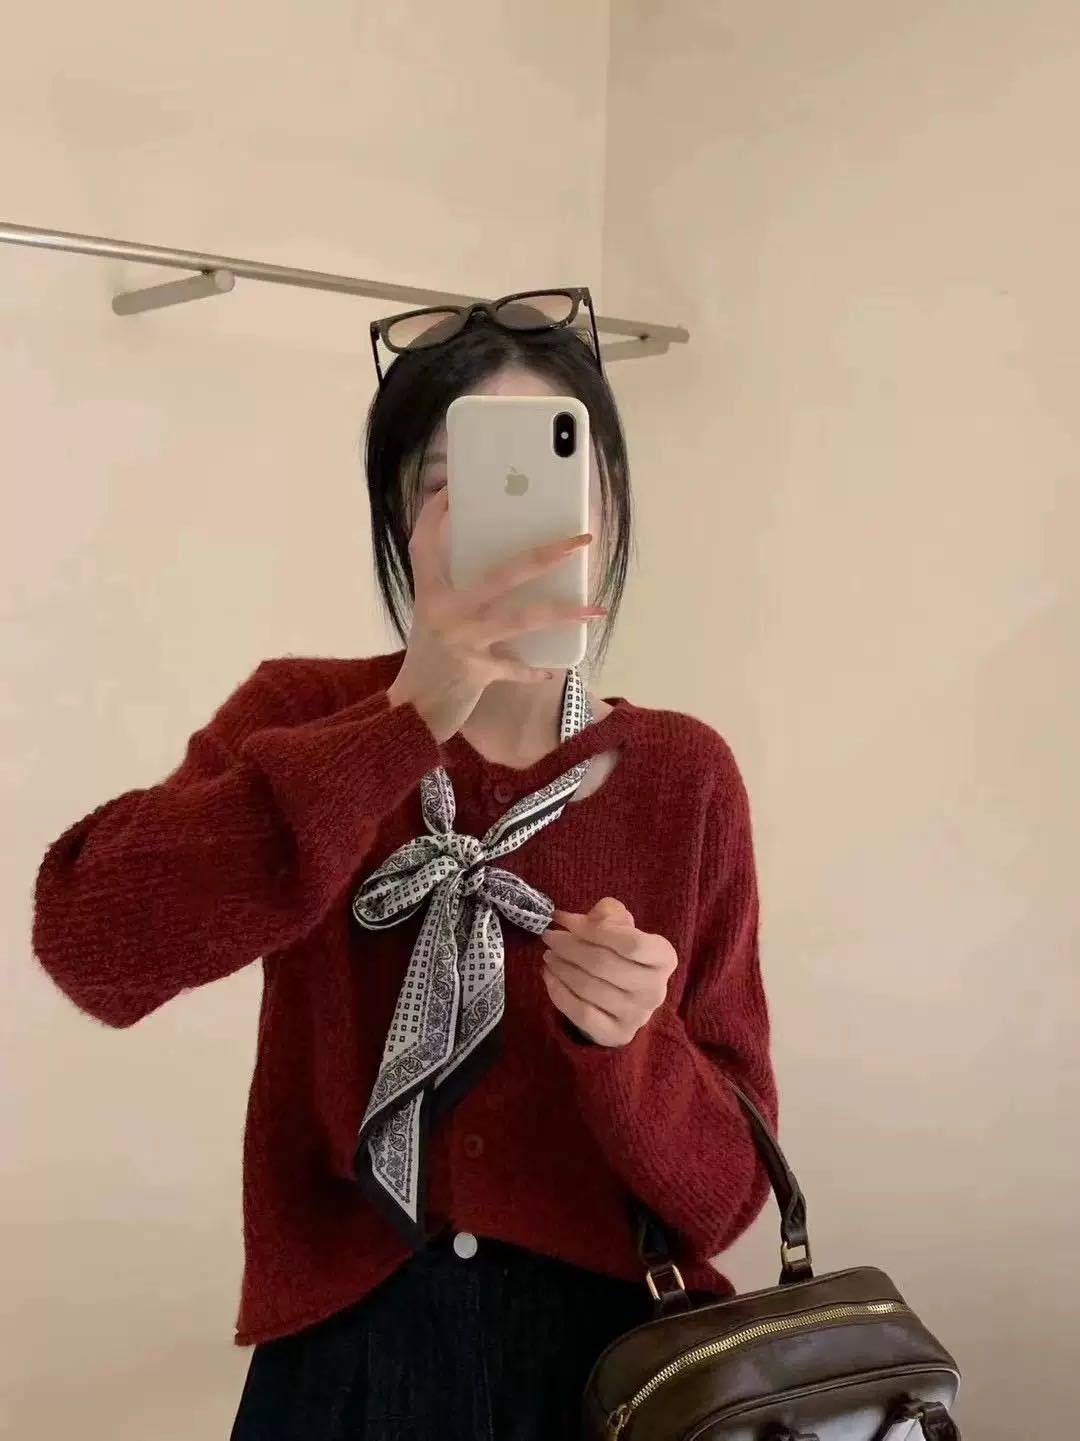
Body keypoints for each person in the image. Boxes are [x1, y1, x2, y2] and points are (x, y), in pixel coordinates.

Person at [32, 290, 777, 1441]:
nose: (506, 522)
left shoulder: (681, 777)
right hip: (341, 1363)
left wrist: (634, 1049)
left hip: (606, 1374)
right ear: (398, 514)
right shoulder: (304, 716)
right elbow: (93, 942)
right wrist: (402, 722)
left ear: (610, 507)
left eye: (548, 479)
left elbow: (727, 1197)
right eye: (453, 483)